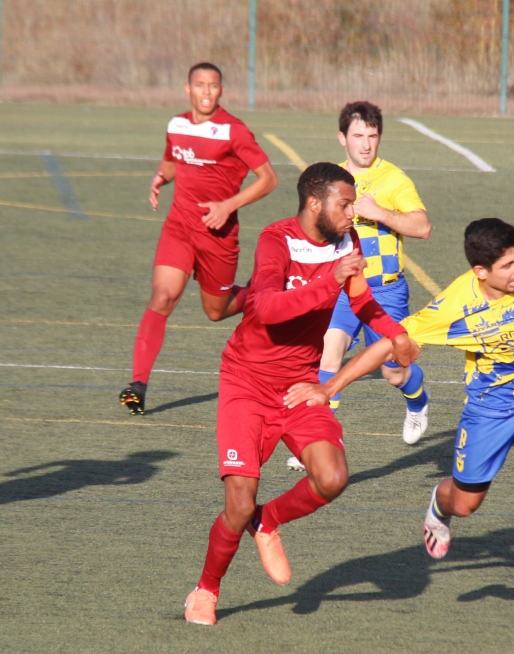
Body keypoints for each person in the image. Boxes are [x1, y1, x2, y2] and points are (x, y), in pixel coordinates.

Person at [285, 218, 514, 617]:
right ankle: (439, 507)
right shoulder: (454, 305)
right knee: (464, 504)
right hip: (489, 412)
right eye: (507, 266)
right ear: (480, 271)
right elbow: (389, 345)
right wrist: (329, 388)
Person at [183, 162, 419, 626]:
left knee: (332, 478)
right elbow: (268, 308)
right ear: (315, 203)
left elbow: (361, 301)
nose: (352, 213)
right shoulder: (276, 240)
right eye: (345, 204)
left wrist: (396, 334)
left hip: (299, 385)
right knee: (238, 503)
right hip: (247, 382)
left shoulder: (348, 241)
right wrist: (329, 280)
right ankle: (206, 590)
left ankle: (267, 520)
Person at [120, 62, 278, 414]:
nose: (207, 91)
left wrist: (228, 206)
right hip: (179, 226)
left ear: (221, 91)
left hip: (218, 235)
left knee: (215, 311)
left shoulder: (234, 131)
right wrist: (161, 177)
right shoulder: (176, 124)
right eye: (200, 84)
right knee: (163, 296)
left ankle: (262, 292)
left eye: (213, 85)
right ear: (187, 89)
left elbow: (268, 178)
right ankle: (138, 385)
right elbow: (172, 160)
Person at [312, 101, 433, 451]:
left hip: (385, 292)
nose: (366, 144)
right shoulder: (330, 179)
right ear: (342, 138)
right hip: (343, 291)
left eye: (372, 136)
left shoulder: (393, 179)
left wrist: (379, 212)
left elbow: (423, 227)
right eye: (358, 136)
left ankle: (418, 401)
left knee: (393, 371)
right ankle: (320, 444)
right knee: (329, 354)